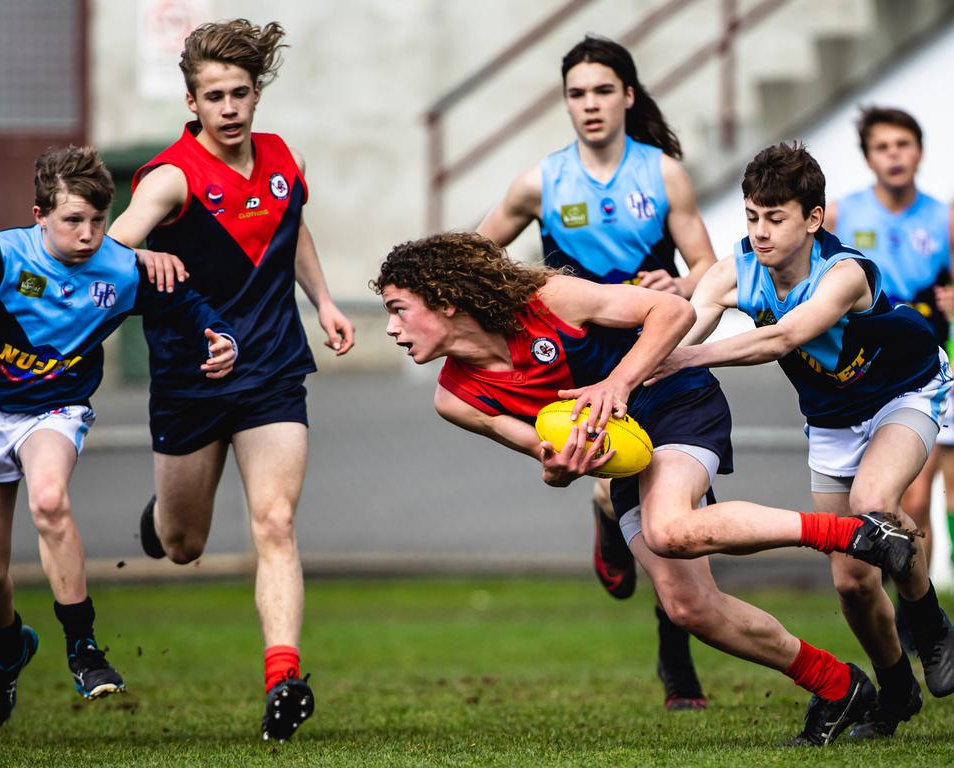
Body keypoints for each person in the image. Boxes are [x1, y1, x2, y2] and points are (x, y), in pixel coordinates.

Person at [373, 230, 925, 746]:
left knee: (668, 529)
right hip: (625, 451)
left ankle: (852, 535)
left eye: (399, 310)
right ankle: (839, 687)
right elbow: (545, 453)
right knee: (689, 607)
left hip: (674, 399)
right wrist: (561, 469)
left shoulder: (548, 298)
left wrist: (619, 381)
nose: (393, 329)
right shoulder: (454, 398)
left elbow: (673, 310)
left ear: (444, 300)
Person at [649, 141, 954, 741]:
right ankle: (895, 692)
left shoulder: (843, 274)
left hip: (907, 395)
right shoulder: (736, 269)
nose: (760, 233)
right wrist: (634, 372)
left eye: (776, 217)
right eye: (751, 217)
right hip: (833, 420)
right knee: (851, 580)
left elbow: (780, 339)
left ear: (813, 219)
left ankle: (931, 623)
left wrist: (685, 358)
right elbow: (694, 317)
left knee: (873, 504)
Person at [0, 145, 236, 731]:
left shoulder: (124, 268)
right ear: (40, 214)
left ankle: (83, 648)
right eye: (73, 220)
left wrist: (219, 336)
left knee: (49, 497)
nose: (89, 234)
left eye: (98, 220)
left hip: (55, 409)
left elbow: (188, 306)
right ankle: (6, 651)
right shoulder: (0, 255)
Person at [107, 19, 354, 742]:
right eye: (214, 96)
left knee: (275, 522)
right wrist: (142, 259)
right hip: (190, 379)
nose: (229, 108)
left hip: (273, 367)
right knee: (185, 543)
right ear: (192, 101)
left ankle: (283, 678)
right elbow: (113, 250)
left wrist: (326, 301)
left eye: (240, 92)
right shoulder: (169, 178)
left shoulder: (285, 159)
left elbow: (291, 225)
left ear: (255, 93)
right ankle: (159, 520)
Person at [476, 35, 717, 709]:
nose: (590, 105)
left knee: (684, 515)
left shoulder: (663, 173)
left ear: (628, 96)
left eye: (603, 90)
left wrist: (682, 281)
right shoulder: (540, 182)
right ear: (566, 102)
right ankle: (607, 508)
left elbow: (708, 266)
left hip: (656, 356)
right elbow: (472, 256)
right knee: (631, 496)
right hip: (583, 370)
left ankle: (677, 667)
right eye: (577, 93)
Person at [825, 106, 954, 568]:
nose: (894, 155)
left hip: (925, 368)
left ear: (919, 152)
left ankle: (916, 618)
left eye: (903, 145)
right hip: (860, 371)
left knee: (915, 501)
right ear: (868, 158)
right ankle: (877, 589)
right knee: (869, 504)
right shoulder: (841, 213)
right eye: (883, 147)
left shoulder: (944, 218)